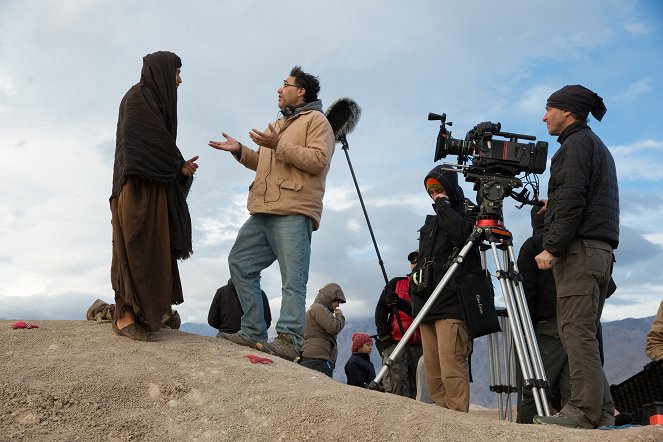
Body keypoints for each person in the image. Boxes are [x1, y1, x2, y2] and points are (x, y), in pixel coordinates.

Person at [208, 66, 335, 360]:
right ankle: (252, 330)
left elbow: (318, 161)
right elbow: (266, 164)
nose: (279, 90)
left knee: (293, 278)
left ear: (301, 91)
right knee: (239, 261)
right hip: (264, 209)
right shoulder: (280, 124)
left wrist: (278, 143)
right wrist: (240, 149)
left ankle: (290, 340)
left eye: (285, 85)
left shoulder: (317, 121)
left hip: (294, 210)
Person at [532, 85, 619, 429]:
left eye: (549, 109)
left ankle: (581, 412)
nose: (544, 116)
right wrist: (554, 206)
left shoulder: (574, 146)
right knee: (583, 332)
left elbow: (572, 201)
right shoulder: (594, 146)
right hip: (599, 253)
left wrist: (551, 246)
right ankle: (604, 412)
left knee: (575, 332)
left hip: (579, 253)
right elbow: (583, 195)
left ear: (567, 112)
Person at [110, 51, 198, 342]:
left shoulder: (155, 102)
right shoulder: (137, 98)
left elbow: (162, 147)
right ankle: (124, 317)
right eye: (176, 73)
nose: (179, 80)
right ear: (162, 72)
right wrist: (175, 163)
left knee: (153, 252)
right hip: (135, 188)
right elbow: (144, 146)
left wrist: (180, 170)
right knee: (132, 249)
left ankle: (144, 316)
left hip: (154, 189)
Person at [410, 165, 480, 412]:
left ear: (449, 187)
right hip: (428, 306)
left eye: (438, 188)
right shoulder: (433, 223)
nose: (434, 194)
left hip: (452, 304)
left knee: (452, 368)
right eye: (430, 190)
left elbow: (464, 238)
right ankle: (443, 423)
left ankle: (458, 422)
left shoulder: (466, 213)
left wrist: (443, 205)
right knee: (433, 372)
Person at [515, 206, 569, 424]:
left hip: (547, 327)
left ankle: (524, 434)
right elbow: (608, 287)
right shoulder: (572, 240)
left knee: (535, 386)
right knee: (573, 388)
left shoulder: (535, 246)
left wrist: (523, 331)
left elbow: (525, 292)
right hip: (579, 323)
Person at [374, 250, 423, 398]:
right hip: (396, 345)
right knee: (395, 389)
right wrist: (385, 338)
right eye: (412, 261)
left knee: (419, 391)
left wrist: (402, 304)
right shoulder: (396, 283)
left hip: (422, 347)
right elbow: (380, 310)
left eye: (418, 260)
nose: (414, 264)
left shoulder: (432, 288)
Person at [299, 283, 346, 374]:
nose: (338, 305)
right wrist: (340, 316)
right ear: (330, 297)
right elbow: (334, 327)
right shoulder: (319, 308)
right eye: (337, 301)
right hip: (318, 359)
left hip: (315, 357)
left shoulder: (316, 308)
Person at [207, 279, 272, 336]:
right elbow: (267, 321)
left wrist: (225, 327)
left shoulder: (221, 291)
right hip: (250, 338)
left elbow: (212, 319)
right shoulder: (260, 294)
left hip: (225, 336)